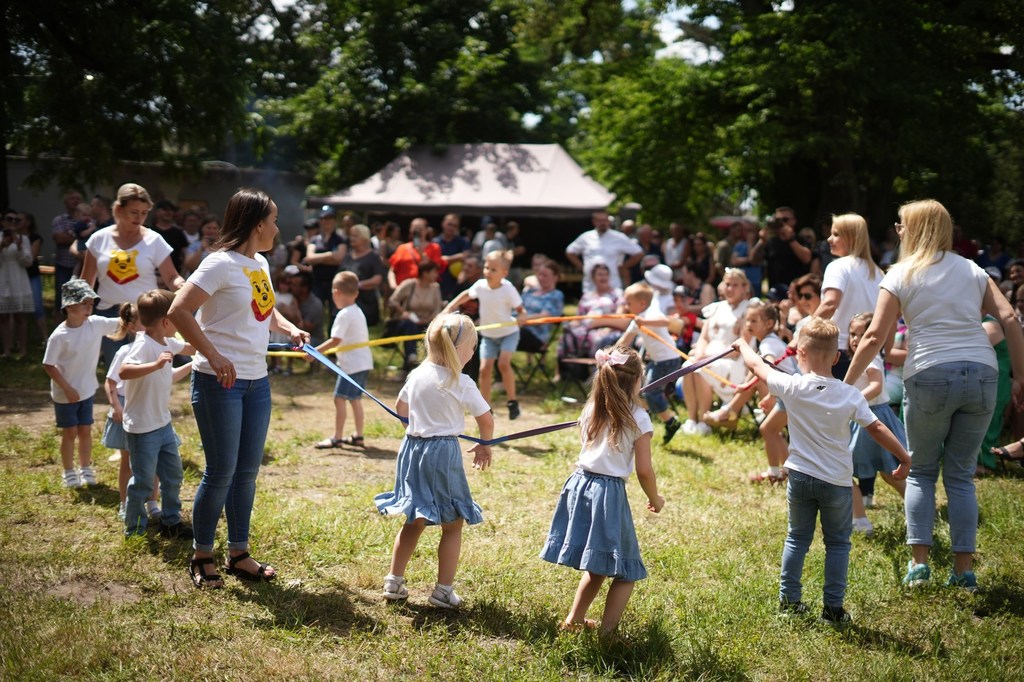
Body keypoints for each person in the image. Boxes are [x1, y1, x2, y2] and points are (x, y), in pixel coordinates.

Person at [844, 199, 1024, 590]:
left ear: (916, 229)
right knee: (961, 475)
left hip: (929, 373)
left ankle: (919, 566)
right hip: (982, 374)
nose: (898, 230)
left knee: (923, 471)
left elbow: (875, 335)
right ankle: (963, 571)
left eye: (902, 225)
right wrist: (1020, 378)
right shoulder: (973, 269)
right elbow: (1009, 317)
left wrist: (845, 385)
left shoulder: (901, 273)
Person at [167, 188, 309, 589]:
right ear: (257, 224)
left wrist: (288, 327)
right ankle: (201, 555)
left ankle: (238, 553)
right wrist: (213, 356)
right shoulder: (219, 264)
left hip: (256, 381)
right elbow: (179, 310)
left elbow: (263, 308)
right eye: (275, 220)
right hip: (219, 383)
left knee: (246, 472)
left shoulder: (258, 263)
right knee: (220, 472)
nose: (278, 229)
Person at [735, 317, 910, 625]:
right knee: (838, 543)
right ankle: (833, 609)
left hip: (800, 478)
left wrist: (742, 346)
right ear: (838, 356)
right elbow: (877, 427)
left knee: (796, 538)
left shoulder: (792, 386)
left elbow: (758, 368)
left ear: (799, 353)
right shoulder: (849, 394)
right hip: (837, 483)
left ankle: (789, 602)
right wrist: (903, 456)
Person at [540, 346, 664, 634]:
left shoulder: (591, 407)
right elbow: (644, 470)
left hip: (580, 484)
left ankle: (574, 621)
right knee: (626, 572)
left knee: (596, 565)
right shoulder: (639, 418)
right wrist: (655, 498)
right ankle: (608, 637)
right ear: (636, 381)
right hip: (607, 494)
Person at [375, 313, 494, 608]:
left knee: (414, 518)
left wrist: (416, 430)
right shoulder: (461, 381)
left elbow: (400, 407)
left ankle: (394, 581)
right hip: (443, 454)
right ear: (459, 351)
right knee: (452, 524)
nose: (472, 354)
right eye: (472, 348)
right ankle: (442, 591)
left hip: (412, 449)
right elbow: (486, 418)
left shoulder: (416, 374)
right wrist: (484, 446)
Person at [80, 183, 186, 368]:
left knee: (145, 370)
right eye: (134, 212)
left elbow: (171, 277)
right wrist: (79, 312)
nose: (140, 218)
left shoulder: (154, 239)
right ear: (119, 209)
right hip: (109, 315)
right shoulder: (98, 238)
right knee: (117, 371)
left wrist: (183, 286)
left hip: (146, 315)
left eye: (144, 212)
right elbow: (86, 283)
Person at [119, 289, 195, 539]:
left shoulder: (168, 343)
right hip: (142, 429)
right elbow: (125, 371)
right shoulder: (143, 344)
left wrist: (197, 360)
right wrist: (155, 364)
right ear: (165, 322)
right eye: (177, 317)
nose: (180, 323)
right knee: (142, 482)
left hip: (163, 425)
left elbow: (192, 347)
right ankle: (134, 529)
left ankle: (171, 521)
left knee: (173, 475)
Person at [42, 279, 121, 488]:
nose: (89, 307)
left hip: (86, 391)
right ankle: (68, 471)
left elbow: (122, 322)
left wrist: (137, 311)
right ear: (68, 306)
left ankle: (85, 468)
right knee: (70, 432)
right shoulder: (59, 336)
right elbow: (49, 365)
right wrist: (67, 388)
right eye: (84, 303)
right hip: (65, 394)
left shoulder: (95, 324)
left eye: (91, 303)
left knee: (85, 430)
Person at [444, 250, 526, 419]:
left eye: (493, 269)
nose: (488, 272)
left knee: (503, 364)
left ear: (504, 273)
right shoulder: (480, 286)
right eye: (487, 268)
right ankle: (486, 408)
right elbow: (467, 294)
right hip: (489, 334)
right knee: (484, 370)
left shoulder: (508, 289)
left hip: (508, 333)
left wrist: (522, 316)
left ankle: (512, 402)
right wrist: (450, 307)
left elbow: (520, 309)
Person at [845, 313, 907, 536]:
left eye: (862, 334)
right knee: (883, 472)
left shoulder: (871, 358)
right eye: (853, 333)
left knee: (889, 473)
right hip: (862, 419)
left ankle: (916, 508)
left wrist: (852, 398)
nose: (855, 338)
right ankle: (859, 519)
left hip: (873, 418)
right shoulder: (856, 359)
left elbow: (877, 386)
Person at [103, 302, 161, 521]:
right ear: (130, 325)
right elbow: (110, 382)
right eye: (142, 320)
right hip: (128, 409)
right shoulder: (124, 352)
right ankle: (125, 503)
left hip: (148, 408)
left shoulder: (157, 348)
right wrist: (116, 406)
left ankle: (153, 502)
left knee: (153, 459)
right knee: (127, 461)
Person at [680, 268, 752, 436]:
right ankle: (692, 419)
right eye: (727, 284)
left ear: (744, 288)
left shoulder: (748, 309)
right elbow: (704, 336)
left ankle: (705, 420)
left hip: (734, 362)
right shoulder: (716, 308)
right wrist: (699, 353)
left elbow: (740, 347)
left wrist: (706, 358)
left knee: (699, 369)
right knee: (687, 366)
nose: (730, 288)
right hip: (708, 358)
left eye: (735, 285)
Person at [813, 214, 883, 379]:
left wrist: (806, 331)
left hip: (840, 351)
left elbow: (830, 303)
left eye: (836, 234)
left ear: (852, 238)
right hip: (873, 353)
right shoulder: (878, 273)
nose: (829, 239)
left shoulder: (837, 266)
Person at [311, 272, 373, 449]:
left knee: (339, 398)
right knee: (354, 399)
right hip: (362, 363)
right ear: (356, 293)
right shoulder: (357, 311)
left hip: (351, 366)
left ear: (336, 292)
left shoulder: (344, 314)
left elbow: (335, 340)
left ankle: (337, 437)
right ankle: (359, 436)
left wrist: (315, 352)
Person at [619, 283, 683, 444]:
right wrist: (610, 355)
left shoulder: (651, 313)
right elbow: (624, 341)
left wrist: (644, 321)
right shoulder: (637, 320)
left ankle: (671, 421)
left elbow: (665, 321)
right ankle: (642, 422)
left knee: (650, 392)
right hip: (656, 360)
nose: (626, 307)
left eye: (629, 303)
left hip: (669, 360)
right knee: (639, 391)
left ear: (641, 304)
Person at [565, 210, 644, 295]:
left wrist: (624, 267)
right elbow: (570, 251)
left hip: (612, 283)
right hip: (590, 285)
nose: (603, 223)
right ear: (594, 222)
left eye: (605, 220)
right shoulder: (586, 237)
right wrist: (581, 267)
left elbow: (638, 253)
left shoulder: (618, 237)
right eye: (600, 220)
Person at [386, 259, 443, 370]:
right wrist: (403, 312)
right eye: (434, 272)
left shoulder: (435, 288)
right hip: (406, 323)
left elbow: (437, 310)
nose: (437, 275)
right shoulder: (409, 284)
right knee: (409, 325)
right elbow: (392, 300)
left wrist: (427, 319)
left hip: (427, 323)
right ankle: (411, 356)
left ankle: (433, 365)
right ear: (425, 273)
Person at [0, 211, 35, 358]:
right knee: (3, 317)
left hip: (18, 278)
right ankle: (7, 350)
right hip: (2, 277)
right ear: (3, 221)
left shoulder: (24, 239)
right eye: (9, 219)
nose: (13, 222)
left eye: (16, 220)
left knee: (20, 317)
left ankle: (23, 350)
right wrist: (2, 246)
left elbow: (28, 262)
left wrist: (20, 247)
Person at [340, 224, 385, 327]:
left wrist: (358, 285)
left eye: (355, 236)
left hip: (365, 302)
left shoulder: (374, 257)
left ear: (364, 238)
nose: (352, 238)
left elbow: (377, 279)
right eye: (351, 236)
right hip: (346, 300)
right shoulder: (347, 256)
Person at [14, 212, 47, 344]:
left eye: (19, 220)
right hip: (15, 275)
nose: (16, 222)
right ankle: (18, 341)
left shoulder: (35, 238)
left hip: (31, 275)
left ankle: (45, 338)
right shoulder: (8, 237)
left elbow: (31, 258)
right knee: (16, 308)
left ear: (28, 222)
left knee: (37, 306)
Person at [518, 258, 565, 352]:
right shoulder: (529, 292)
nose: (541, 278)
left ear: (555, 277)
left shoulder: (555, 295)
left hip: (536, 336)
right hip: (514, 328)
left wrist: (519, 320)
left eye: (545, 275)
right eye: (539, 274)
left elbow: (545, 316)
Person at [762, 206, 812, 291]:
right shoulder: (771, 242)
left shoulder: (801, 240)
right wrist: (761, 240)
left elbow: (807, 258)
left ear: (794, 221)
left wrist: (790, 239)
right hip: (775, 291)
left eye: (784, 220)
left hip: (797, 291)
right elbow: (755, 261)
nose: (781, 223)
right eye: (777, 220)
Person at [388, 218, 445, 288]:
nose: (417, 231)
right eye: (414, 228)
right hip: (404, 291)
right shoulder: (402, 248)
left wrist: (421, 254)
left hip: (424, 290)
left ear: (426, 230)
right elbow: (392, 270)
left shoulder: (434, 248)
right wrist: (393, 285)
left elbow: (435, 271)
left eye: (420, 228)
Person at [51, 190, 83, 309]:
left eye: (78, 199)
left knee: (82, 299)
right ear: (65, 202)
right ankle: (59, 326)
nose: (76, 201)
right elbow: (59, 239)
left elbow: (91, 239)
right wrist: (80, 238)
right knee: (61, 301)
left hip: (82, 265)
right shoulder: (59, 220)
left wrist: (68, 237)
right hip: (63, 266)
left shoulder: (86, 220)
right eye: (72, 198)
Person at [433, 213, 471, 300]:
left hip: (456, 283)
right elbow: (435, 261)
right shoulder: (434, 242)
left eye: (454, 226)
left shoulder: (463, 241)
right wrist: (458, 257)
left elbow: (466, 255)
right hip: (438, 282)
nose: (451, 227)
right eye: (449, 224)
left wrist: (447, 259)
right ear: (443, 224)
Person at [150, 199, 189, 274]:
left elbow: (185, 256)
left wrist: (182, 275)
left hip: (173, 277)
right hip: (152, 275)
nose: (168, 212)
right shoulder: (149, 231)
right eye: (165, 209)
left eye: (171, 210)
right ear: (157, 212)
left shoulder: (179, 233)